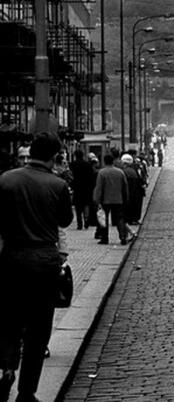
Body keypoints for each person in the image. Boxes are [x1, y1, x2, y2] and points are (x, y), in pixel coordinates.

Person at [0, 132, 73, 402]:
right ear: (54, 157)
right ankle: (26, 392)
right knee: (38, 328)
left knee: (9, 319)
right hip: (44, 261)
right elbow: (65, 220)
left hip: (11, 258)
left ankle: (8, 367)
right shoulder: (57, 184)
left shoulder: (6, 179)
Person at [93, 154, 130, 245]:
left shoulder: (102, 173)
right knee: (119, 218)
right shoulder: (120, 172)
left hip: (106, 200)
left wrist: (96, 200)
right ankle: (122, 236)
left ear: (104, 161)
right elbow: (125, 187)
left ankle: (105, 238)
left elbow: (99, 187)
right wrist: (126, 198)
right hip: (118, 199)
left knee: (104, 219)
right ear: (113, 161)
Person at [69, 150, 95, 230]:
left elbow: (71, 176)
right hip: (86, 188)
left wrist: (72, 185)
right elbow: (91, 177)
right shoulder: (87, 164)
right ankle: (86, 220)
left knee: (78, 207)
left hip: (77, 188)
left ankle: (79, 223)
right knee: (86, 205)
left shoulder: (72, 164)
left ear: (75, 155)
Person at [120, 154, 144, 226]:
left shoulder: (123, 171)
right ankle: (134, 219)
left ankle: (129, 219)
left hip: (128, 192)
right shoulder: (135, 170)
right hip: (136, 192)